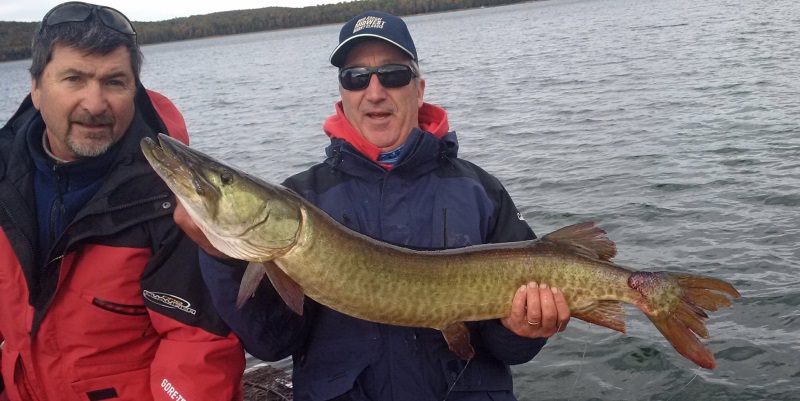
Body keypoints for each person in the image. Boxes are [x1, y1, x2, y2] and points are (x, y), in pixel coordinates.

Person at [177, 10, 571, 401]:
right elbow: (272, 342)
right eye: (356, 78)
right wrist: (224, 257)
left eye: (394, 75)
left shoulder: (479, 190)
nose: (375, 91)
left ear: (419, 90)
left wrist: (524, 328)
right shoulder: (303, 197)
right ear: (343, 94)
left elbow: (506, 349)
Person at [0, 2, 245, 400]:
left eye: (114, 82)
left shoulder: (177, 200)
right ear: (36, 87)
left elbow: (199, 348)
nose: (95, 104)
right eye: (74, 79)